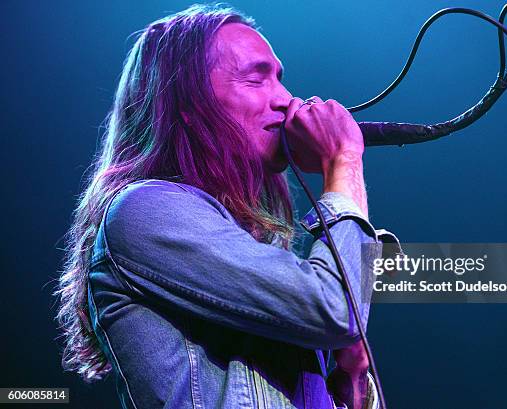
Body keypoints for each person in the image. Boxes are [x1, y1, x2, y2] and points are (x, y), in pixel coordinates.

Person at [56, 4, 398, 408]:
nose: (286, 100)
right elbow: (333, 308)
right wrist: (344, 160)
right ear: (188, 104)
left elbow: (334, 316)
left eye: (279, 80)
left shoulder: (248, 252)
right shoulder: (144, 211)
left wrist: (351, 379)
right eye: (256, 80)